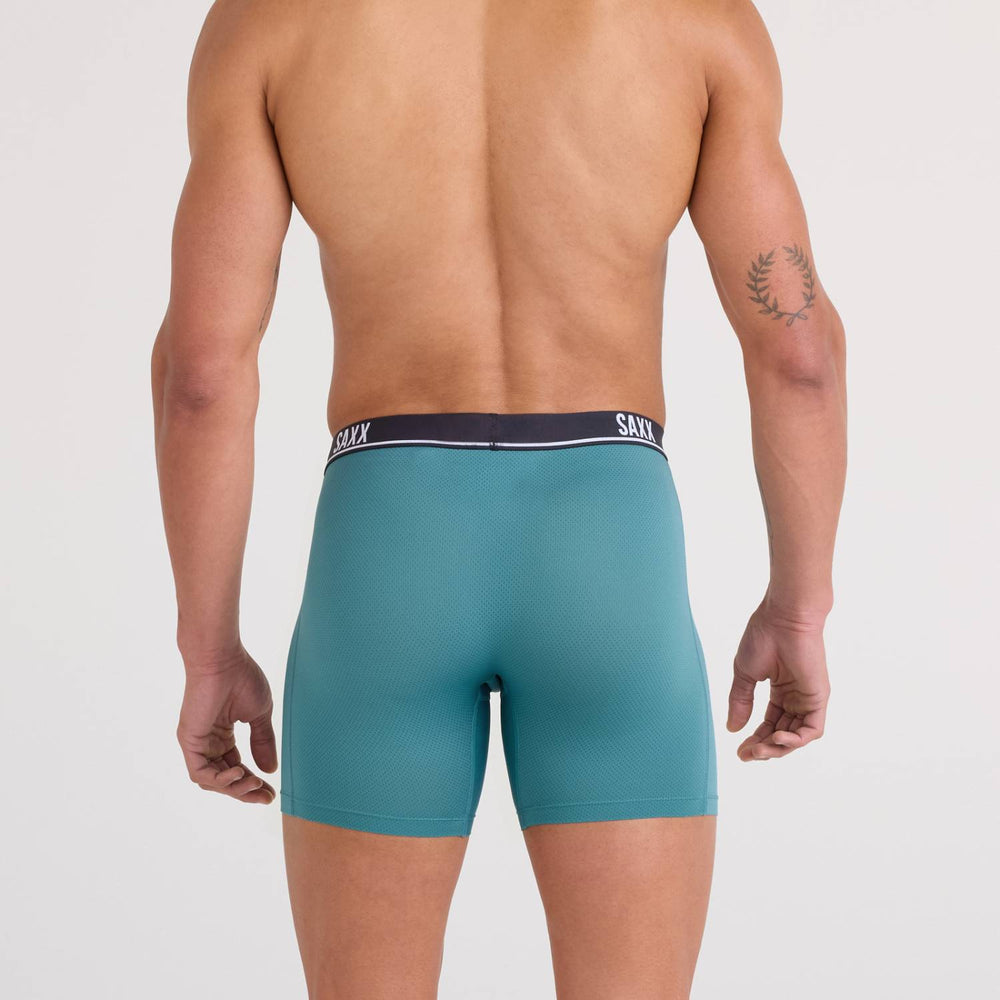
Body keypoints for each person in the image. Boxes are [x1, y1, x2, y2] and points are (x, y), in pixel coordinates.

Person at [152, 0, 846, 995]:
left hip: (386, 545)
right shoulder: (694, 18)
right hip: (608, 546)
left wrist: (208, 649)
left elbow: (202, 375)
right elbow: (800, 353)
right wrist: (799, 607)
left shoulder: (270, 20)